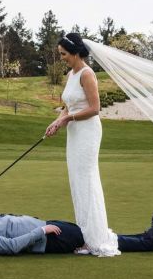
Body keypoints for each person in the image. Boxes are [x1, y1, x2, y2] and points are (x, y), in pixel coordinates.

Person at [44, 33, 120, 257]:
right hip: (74, 131)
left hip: (87, 131)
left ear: (76, 53)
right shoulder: (71, 74)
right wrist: (58, 120)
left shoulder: (87, 74)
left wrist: (67, 119)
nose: (62, 58)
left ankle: (95, 239)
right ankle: (85, 236)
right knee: (77, 181)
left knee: (87, 180)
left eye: (64, 54)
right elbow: (68, 106)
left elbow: (95, 109)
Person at [0, 213, 153, 255]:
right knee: (94, 239)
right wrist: (41, 231)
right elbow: (11, 246)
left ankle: (146, 237)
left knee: (93, 233)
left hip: (46, 227)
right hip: (48, 238)